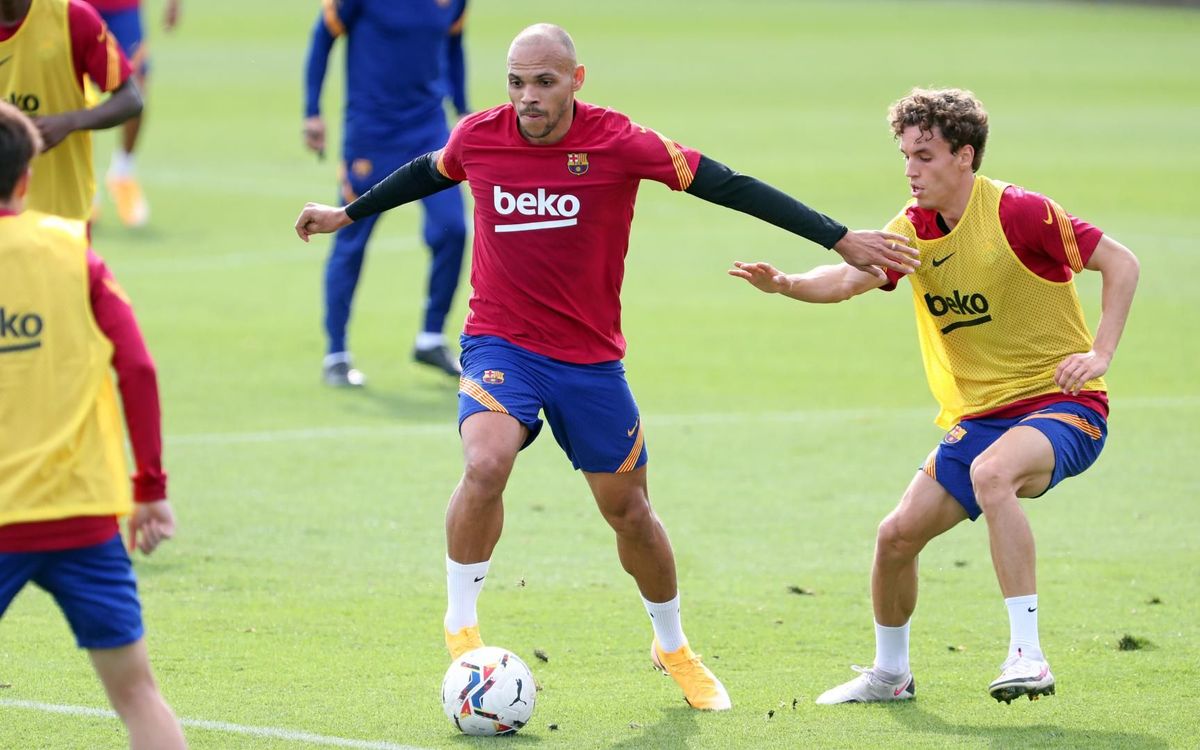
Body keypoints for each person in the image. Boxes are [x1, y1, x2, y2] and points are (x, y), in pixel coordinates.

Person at [295, 24, 918, 711]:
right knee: (486, 463)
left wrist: (838, 238)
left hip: (591, 365)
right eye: (516, 81)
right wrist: (346, 214)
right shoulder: (479, 135)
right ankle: (462, 625)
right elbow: (429, 169)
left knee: (630, 513)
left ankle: (673, 645)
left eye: (543, 82)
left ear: (575, 79)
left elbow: (729, 184)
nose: (527, 97)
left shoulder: (619, 142)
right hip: (501, 346)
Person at [730, 87, 1139, 705]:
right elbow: (845, 279)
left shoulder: (1018, 213)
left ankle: (1028, 655)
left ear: (964, 156)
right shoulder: (911, 230)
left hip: (1065, 405)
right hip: (981, 416)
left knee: (992, 473)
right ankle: (891, 675)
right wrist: (787, 283)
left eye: (923, 156)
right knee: (896, 536)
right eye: (905, 156)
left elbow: (1121, 262)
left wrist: (1100, 354)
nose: (910, 170)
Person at [0, 102, 186, 749]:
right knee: (138, 695)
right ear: (26, 179)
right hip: (81, 515)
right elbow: (136, 366)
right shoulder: (72, 251)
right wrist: (150, 486)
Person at [304, 0, 470, 387]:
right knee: (351, 235)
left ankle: (430, 338)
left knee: (453, 229)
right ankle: (337, 353)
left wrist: (461, 108)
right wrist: (312, 110)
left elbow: (454, 43)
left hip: (429, 129)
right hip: (371, 134)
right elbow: (322, 37)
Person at [0, 0, 142, 224]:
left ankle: (123, 172)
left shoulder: (72, 17)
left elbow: (131, 98)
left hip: (64, 219)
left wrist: (70, 121)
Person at [83, 0, 182, 227]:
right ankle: (85, 182)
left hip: (124, 8)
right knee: (74, 91)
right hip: (76, 6)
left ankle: (123, 172)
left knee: (137, 91)